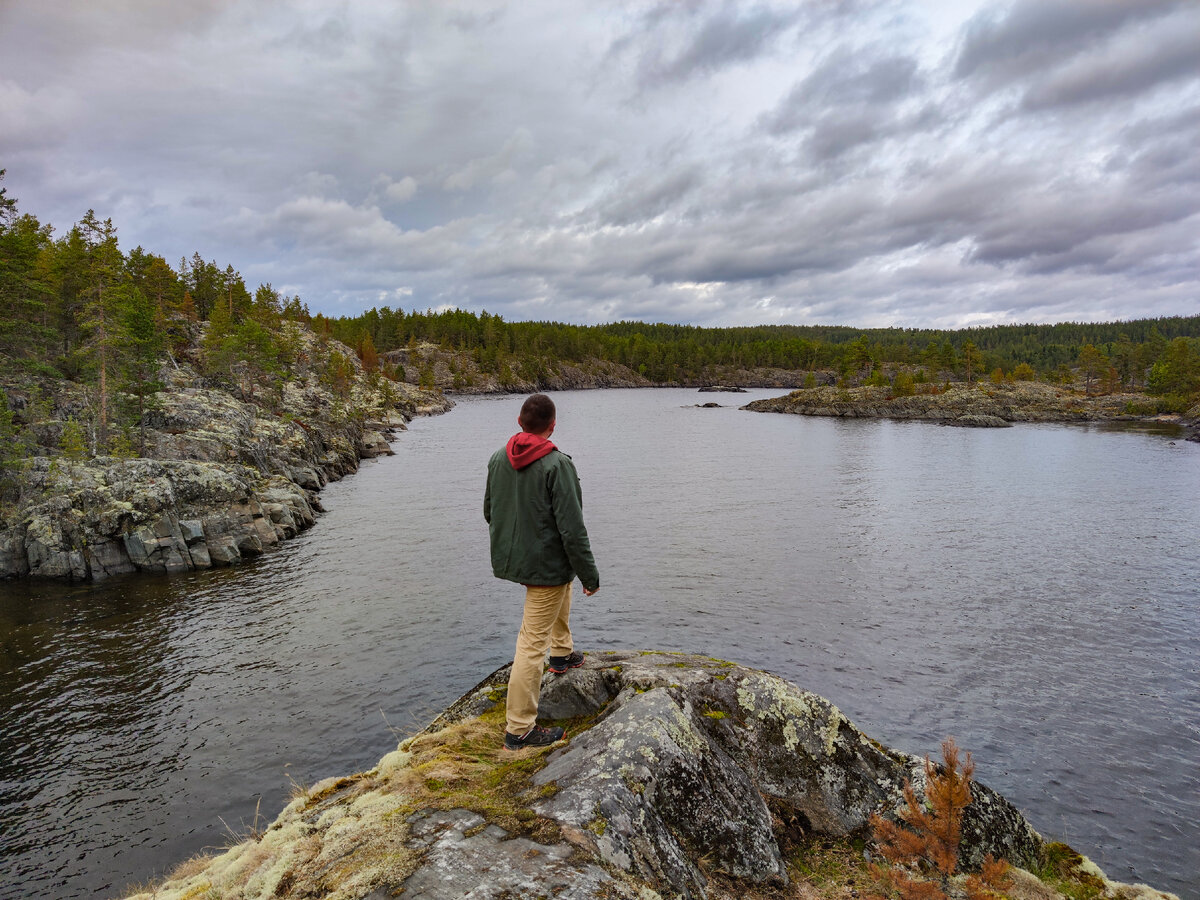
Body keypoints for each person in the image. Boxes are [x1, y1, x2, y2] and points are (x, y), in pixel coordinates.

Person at [484, 393, 600, 750]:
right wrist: (590, 576)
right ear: (552, 426)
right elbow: (572, 529)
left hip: (518, 558)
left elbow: (490, 511)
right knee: (531, 644)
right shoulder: (557, 465)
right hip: (545, 563)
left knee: (558, 589)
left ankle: (562, 653)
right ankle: (519, 729)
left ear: (520, 422)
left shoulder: (498, 458)